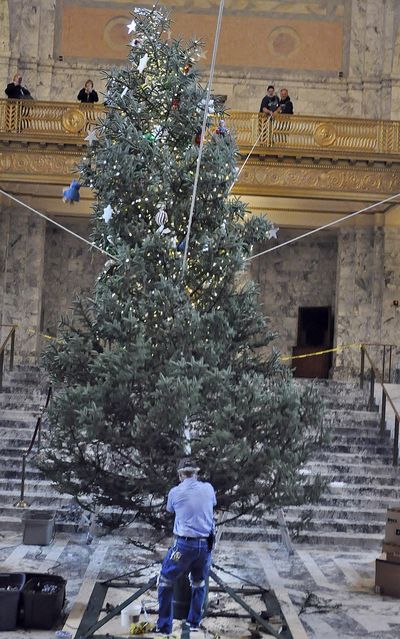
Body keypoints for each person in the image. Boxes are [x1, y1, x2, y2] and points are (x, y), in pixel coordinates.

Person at [156, 457, 217, 636]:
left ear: (181, 474)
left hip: (182, 548)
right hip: (204, 548)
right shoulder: (208, 488)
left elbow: (170, 510)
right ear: (196, 473)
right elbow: (211, 504)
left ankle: (164, 626)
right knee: (198, 583)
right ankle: (194, 622)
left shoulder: (175, 492)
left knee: (165, 579)